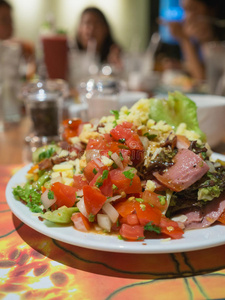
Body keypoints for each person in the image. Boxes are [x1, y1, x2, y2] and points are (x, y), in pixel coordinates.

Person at [167, 0, 225, 81]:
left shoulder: (218, 42)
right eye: (184, 10)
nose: (187, 17)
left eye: (192, 9)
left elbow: (202, 78)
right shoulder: (197, 39)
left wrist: (185, 39)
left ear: (211, 10)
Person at [0, 0, 35, 79]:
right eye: (4, 20)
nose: (9, 25)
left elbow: (29, 73)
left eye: (10, 20)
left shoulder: (15, 48)